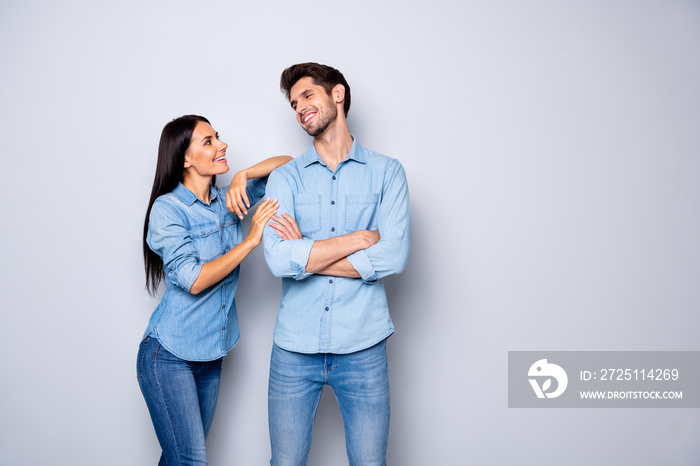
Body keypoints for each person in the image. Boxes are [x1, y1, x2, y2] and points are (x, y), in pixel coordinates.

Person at [263, 63, 411, 465]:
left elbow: (393, 255)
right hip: (294, 349)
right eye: (294, 103)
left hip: (363, 344)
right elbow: (277, 258)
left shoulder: (387, 173)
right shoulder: (285, 178)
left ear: (337, 95)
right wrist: (357, 241)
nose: (299, 109)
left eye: (308, 96)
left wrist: (307, 254)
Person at [137, 114, 290, 465]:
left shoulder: (228, 200)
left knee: (178, 459)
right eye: (208, 141)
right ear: (185, 158)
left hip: (210, 356)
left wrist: (244, 175)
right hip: (168, 356)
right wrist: (251, 240)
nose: (222, 145)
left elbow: (289, 166)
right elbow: (193, 279)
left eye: (218, 137)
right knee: (191, 460)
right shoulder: (168, 209)